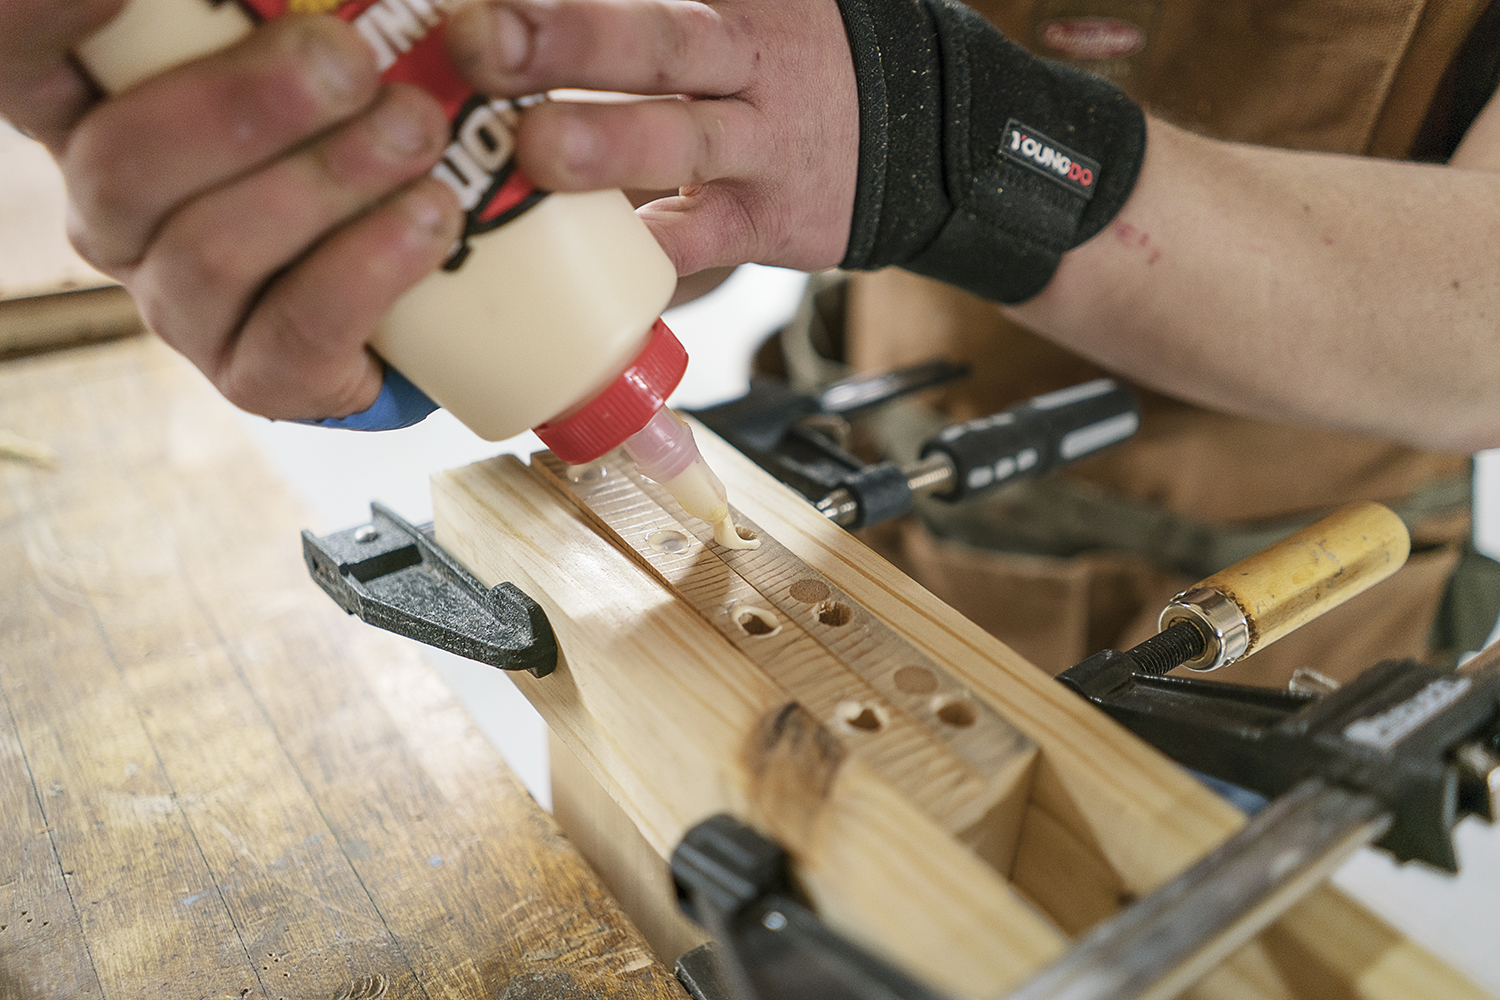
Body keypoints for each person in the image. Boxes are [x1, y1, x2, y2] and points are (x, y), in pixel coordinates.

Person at [4, 0, 1498, 678]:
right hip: (865, 478)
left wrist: (962, 146)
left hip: (1274, 609)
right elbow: (708, 108)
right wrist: (414, 210)